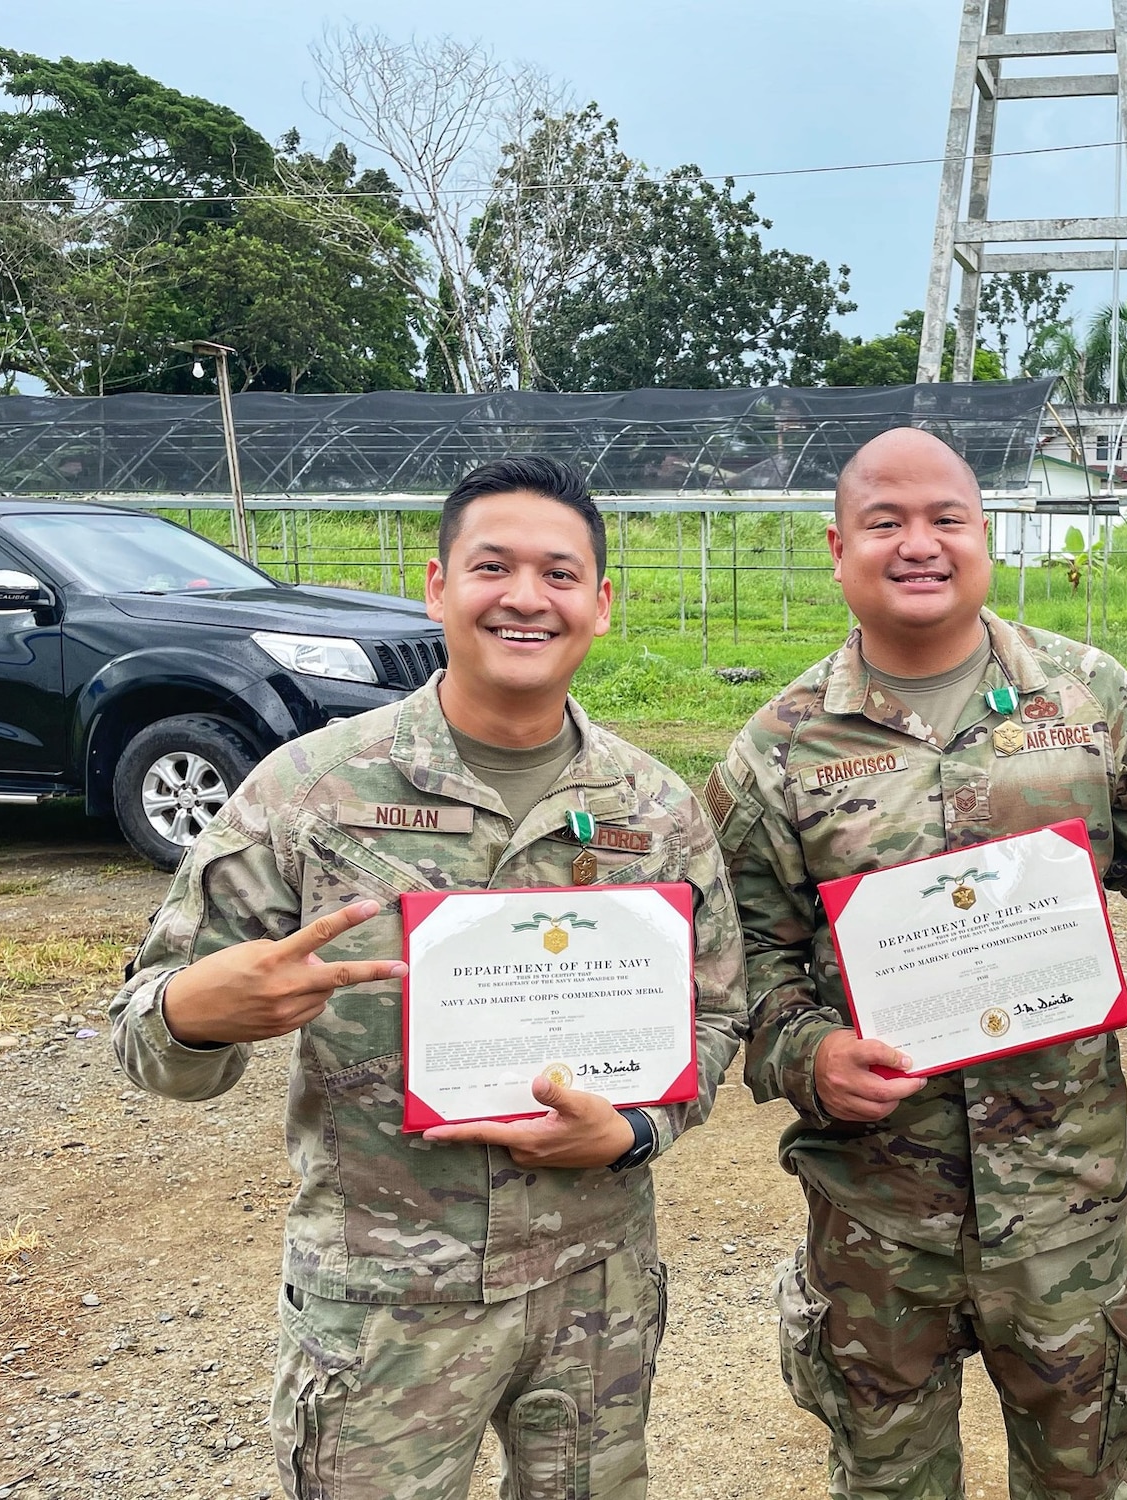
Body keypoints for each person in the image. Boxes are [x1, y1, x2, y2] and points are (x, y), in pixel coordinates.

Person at [110, 456, 747, 1499]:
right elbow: (146, 1035)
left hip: (597, 1287)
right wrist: (197, 1014)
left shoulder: (653, 807)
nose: (525, 597)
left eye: (559, 572)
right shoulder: (310, 793)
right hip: (384, 1301)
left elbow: (715, 1015)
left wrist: (637, 1129)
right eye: (492, 566)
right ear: (438, 586)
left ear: (598, 602)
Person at [711, 426, 1127, 1500]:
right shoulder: (775, 750)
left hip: (1063, 1210)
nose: (919, 544)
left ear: (983, 533)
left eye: (945, 518)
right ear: (836, 546)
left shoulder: (1090, 699)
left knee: (1082, 1478)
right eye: (885, 522)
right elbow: (738, 965)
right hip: (875, 1218)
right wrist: (808, 1056)